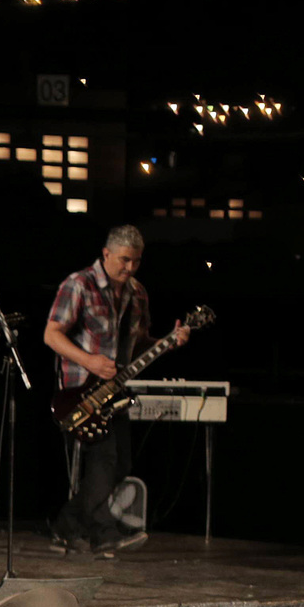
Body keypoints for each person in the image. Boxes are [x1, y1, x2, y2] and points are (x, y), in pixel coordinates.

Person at [44, 225, 189, 557]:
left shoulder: (138, 293)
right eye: (124, 260)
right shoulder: (79, 284)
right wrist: (90, 362)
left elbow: (138, 344)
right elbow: (52, 335)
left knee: (121, 462)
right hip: (82, 390)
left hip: (117, 391)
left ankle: (67, 525)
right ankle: (103, 534)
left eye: (136, 261)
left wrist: (167, 343)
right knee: (105, 457)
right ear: (106, 254)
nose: (130, 268)